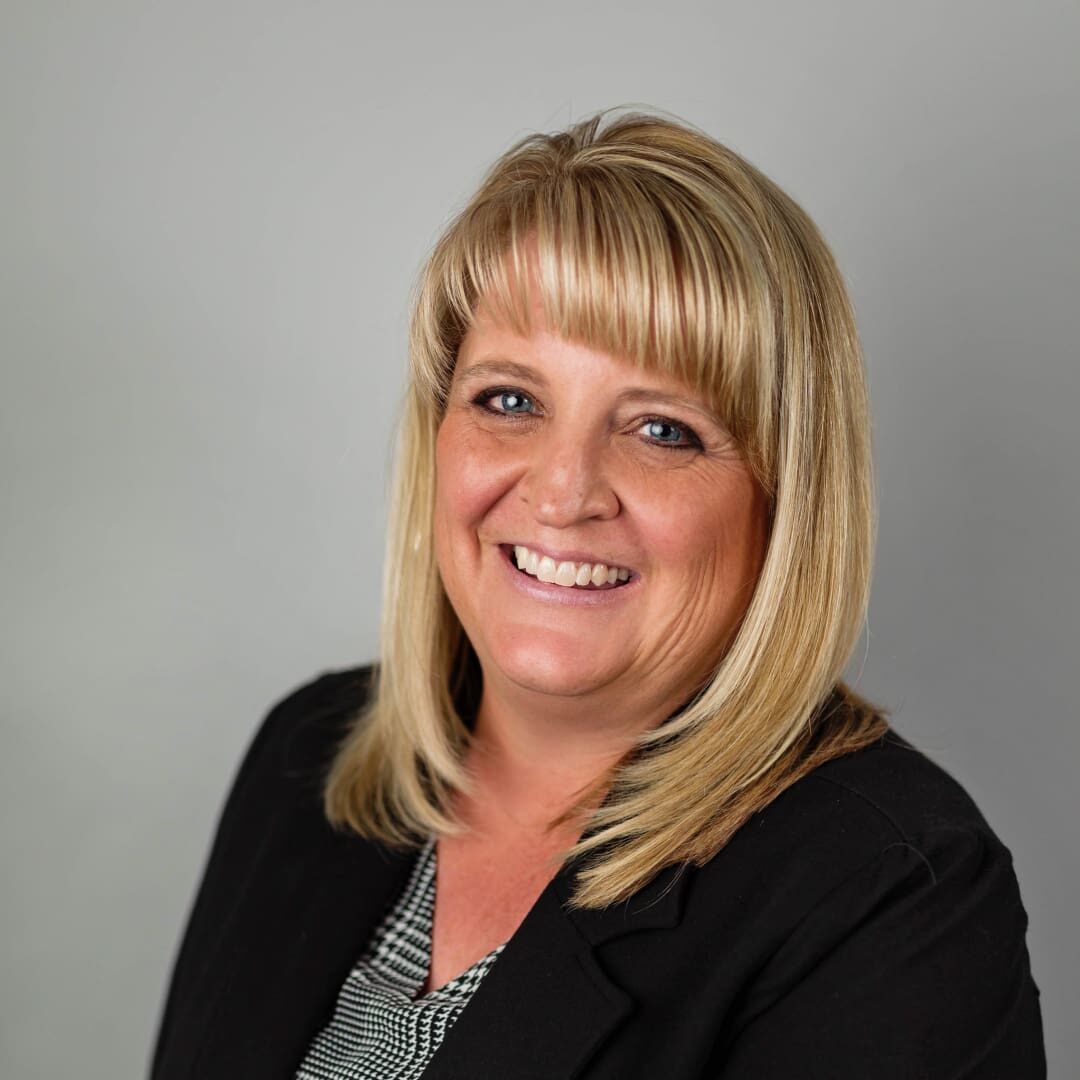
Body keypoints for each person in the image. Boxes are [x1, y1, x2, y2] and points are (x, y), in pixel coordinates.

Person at [150, 109, 1046, 1079]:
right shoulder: (311, 752)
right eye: (510, 401)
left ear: (785, 496)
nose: (561, 492)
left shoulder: (891, 894)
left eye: (662, 429)